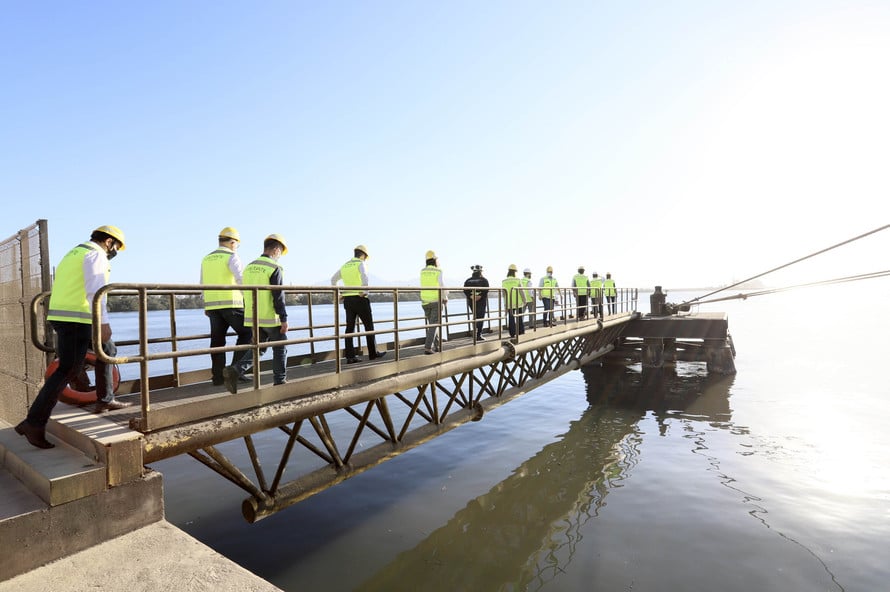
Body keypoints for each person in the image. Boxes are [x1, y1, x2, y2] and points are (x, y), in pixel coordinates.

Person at [15, 225, 131, 449]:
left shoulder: (74, 252)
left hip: (65, 316)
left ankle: (105, 399)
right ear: (109, 242)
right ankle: (34, 422)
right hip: (77, 319)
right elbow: (96, 291)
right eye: (115, 247)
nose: (114, 251)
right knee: (68, 368)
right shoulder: (96, 255)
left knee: (107, 350)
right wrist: (103, 322)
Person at [224, 234, 289, 393]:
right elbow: (278, 295)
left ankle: (236, 370)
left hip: (253, 317)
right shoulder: (274, 267)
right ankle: (280, 381)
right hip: (270, 317)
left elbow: (245, 292)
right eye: (280, 251)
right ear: (276, 249)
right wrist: (284, 319)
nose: (279, 255)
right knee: (280, 347)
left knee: (258, 348)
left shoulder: (249, 266)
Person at [201, 226, 252, 387]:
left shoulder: (206, 258)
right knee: (247, 334)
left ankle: (217, 377)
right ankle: (235, 371)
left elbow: (202, 284)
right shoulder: (231, 256)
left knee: (217, 342)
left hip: (213, 306)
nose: (236, 247)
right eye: (237, 244)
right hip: (232, 304)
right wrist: (250, 300)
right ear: (232, 242)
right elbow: (241, 280)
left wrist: (206, 306)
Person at [331, 244, 385, 364]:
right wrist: (364, 292)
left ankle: (350, 357)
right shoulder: (361, 263)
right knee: (368, 326)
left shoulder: (344, 266)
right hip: (360, 299)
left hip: (348, 300)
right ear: (363, 255)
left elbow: (333, 280)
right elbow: (365, 278)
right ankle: (373, 354)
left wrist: (339, 294)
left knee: (349, 328)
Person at [420, 250, 447, 354]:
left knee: (432, 324)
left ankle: (437, 345)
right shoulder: (438, 271)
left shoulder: (422, 271)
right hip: (435, 301)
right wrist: (445, 297)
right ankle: (427, 348)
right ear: (435, 260)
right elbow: (442, 285)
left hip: (425, 302)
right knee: (434, 325)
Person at [463, 265, 489, 340]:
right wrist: (480, 296)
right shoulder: (484, 280)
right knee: (480, 317)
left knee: (475, 316)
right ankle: (478, 335)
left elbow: (465, 290)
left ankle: (475, 333)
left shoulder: (468, 280)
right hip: (481, 301)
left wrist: (470, 296)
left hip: (471, 301)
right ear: (480, 271)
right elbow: (486, 290)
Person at [502, 264, 526, 337]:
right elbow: (521, 291)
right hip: (518, 302)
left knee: (511, 318)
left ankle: (512, 333)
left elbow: (503, 294)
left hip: (509, 302)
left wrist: (505, 304)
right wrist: (524, 300)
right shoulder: (517, 280)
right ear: (515, 272)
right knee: (519, 317)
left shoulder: (504, 281)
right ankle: (521, 331)